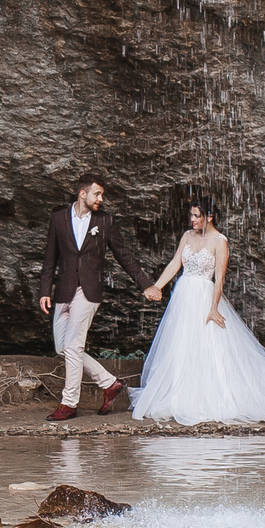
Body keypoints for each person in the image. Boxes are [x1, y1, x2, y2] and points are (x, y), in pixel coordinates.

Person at [133, 198, 265, 426]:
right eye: (191, 215)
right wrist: (157, 287)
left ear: (209, 217)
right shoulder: (187, 236)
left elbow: (219, 278)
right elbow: (175, 264)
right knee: (181, 344)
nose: (192, 220)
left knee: (208, 347)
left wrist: (213, 308)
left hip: (204, 296)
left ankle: (208, 397)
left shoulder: (219, 241)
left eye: (197, 216)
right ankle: (178, 394)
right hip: (184, 295)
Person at [36, 175, 155, 422]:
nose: (101, 199)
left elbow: (124, 255)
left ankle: (69, 404)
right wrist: (45, 291)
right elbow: (49, 258)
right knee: (62, 348)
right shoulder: (58, 219)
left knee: (73, 346)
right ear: (82, 194)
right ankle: (109, 383)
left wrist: (146, 285)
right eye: (97, 194)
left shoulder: (105, 221)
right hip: (64, 290)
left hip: (89, 292)